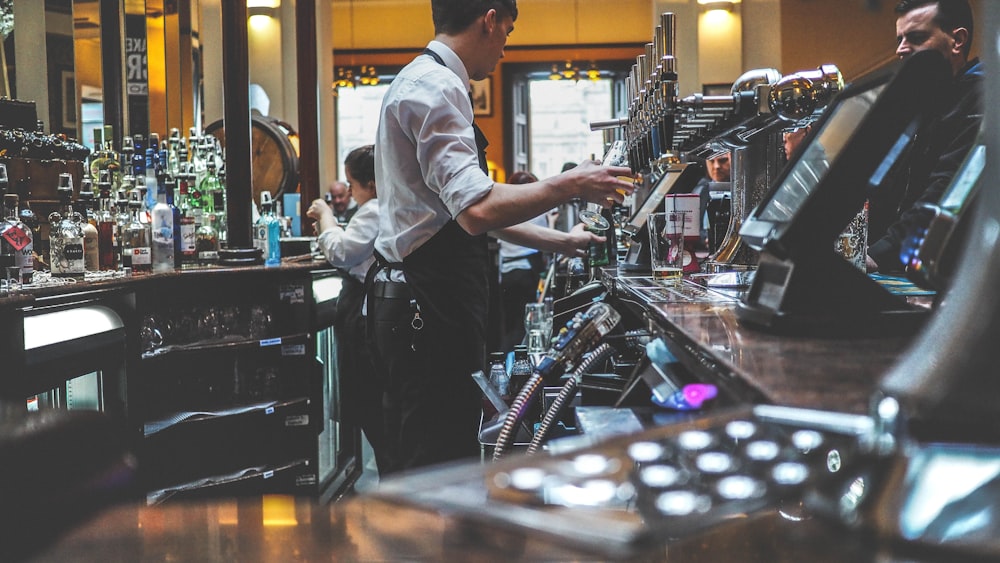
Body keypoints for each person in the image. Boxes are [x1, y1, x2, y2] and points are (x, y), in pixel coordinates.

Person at [370, 0, 634, 473]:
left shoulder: (427, 79)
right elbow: (476, 210)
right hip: (424, 307)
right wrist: (571, 184)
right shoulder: (436, 85)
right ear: (489, 19)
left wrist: (561, 242)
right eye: (508, 34)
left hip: (424, 300)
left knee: (439, 448)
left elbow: (462, 207)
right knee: (437, 461)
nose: (504, 51)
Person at [867, 0, 982, 273]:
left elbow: (945, 188)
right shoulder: (923, 101)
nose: (900, 49)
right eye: (899, 39)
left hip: (952, 277)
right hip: (905, 266)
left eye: (916, 38)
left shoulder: (984, 97)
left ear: (958, 40)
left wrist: (879, 255)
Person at [306, 145, 391, 476]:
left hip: (366, 313)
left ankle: (388, 481)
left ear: (370, 184)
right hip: (374, 308)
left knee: (370, 403)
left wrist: (326, 217)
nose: (352, 193)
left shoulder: (374, 210)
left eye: (352, 185)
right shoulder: (390, 207)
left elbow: (342, 252)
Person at [499, 171, 548, 351]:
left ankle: (508, 360)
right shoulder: (534, 209)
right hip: (527, 270)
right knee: (525, 322)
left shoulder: (502, 210)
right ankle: (520, 360)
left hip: (507, 272)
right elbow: (544, 241)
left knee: (509, 322)